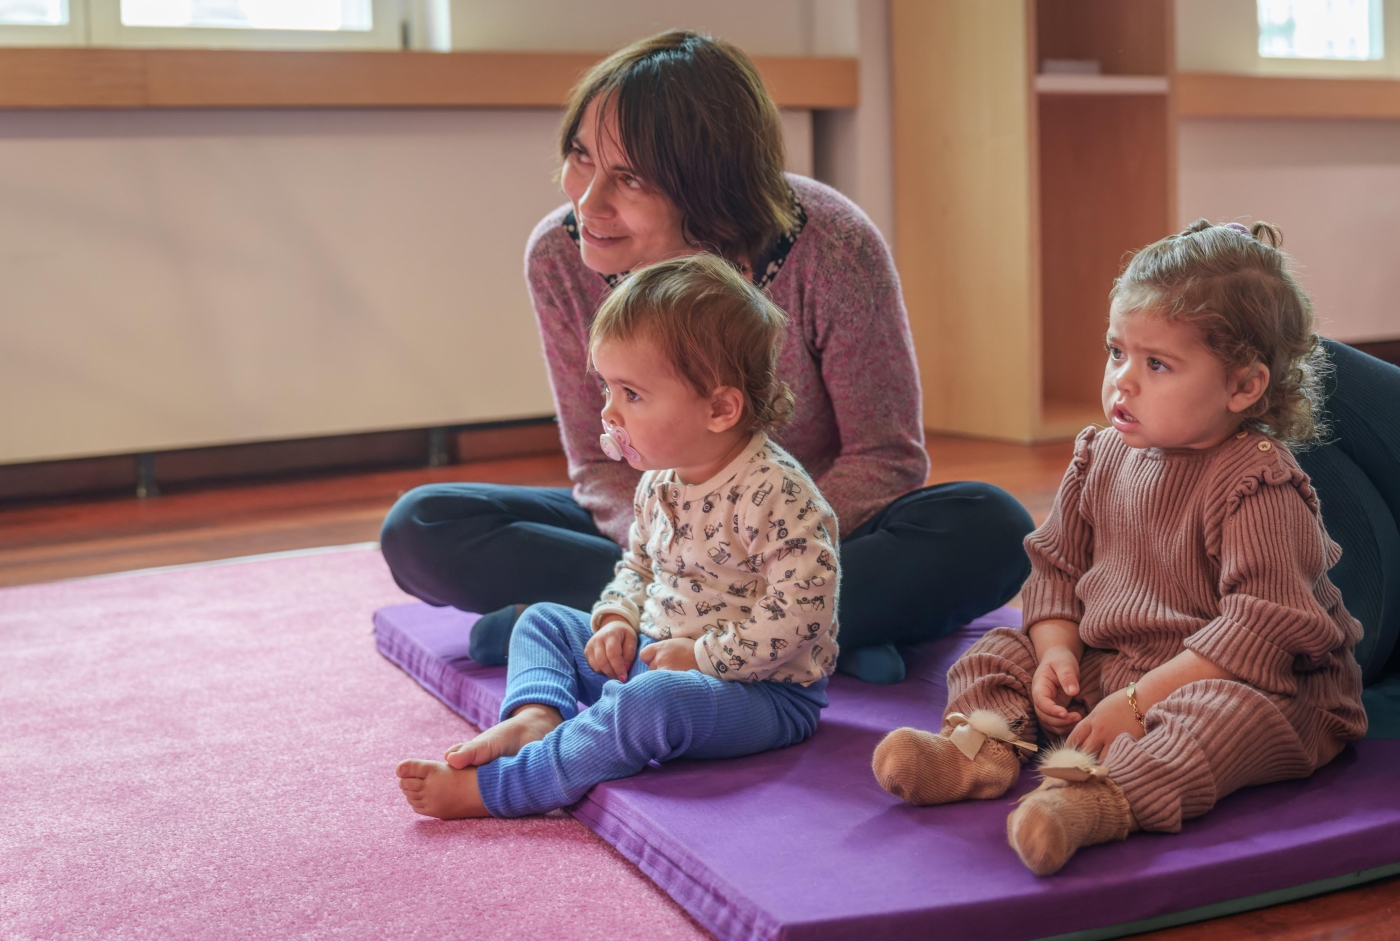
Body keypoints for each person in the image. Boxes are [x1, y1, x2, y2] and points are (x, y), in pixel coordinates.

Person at [378, 29, 1033, 685]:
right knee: (422, 525)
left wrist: (764, 549)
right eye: (581, 157)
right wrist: (680, 551)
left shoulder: (832, 243)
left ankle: (597, 626)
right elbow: (599, 459)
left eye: (629, 178)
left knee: (992, 526)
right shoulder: (560, 254)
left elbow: (884, 456)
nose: (587, 201)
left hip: (810, 531)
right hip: (657, 529)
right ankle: (818, 632)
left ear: (710, 189)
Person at [868, 220, 1368, 876]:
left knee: (1218, 719)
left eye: (1156, 363)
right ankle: (981, 748)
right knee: (997, 650)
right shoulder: (1098, 454)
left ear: (1243, 387)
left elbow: (1262, 631)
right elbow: (1056, 570)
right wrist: (1055, 656)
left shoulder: (1258, 480)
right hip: (1126, 662)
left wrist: (1137, 702)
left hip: (1254, 684)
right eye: (1115, 352)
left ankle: (1097, 798)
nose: (1121, 382)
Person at [396, 254, 841, 819]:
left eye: (631, 394)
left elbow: (801, 617)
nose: (608, 412)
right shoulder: (659, 480)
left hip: (760, 692)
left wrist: (704, 657)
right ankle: (538, 715)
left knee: (650, 703)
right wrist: (618, 619)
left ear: (721, 408)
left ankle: (505, 788)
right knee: (544, 622)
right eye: (607, 388)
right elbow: (640, 568)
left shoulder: (778, 494)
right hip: (659, 654)